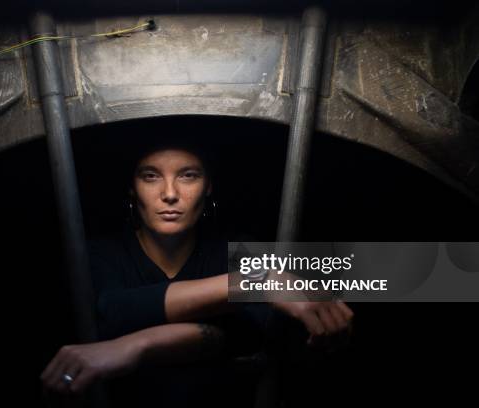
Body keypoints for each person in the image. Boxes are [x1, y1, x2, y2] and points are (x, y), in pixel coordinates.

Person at [40, 138, 354, 407]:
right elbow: (113, 311)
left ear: (208, 187)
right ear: (132, 189)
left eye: (188, 176)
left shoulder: (239, 250)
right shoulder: (99, 254)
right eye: (150, 176)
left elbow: (243, 337)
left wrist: (133, 346)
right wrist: (260, 283)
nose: (170, 193)